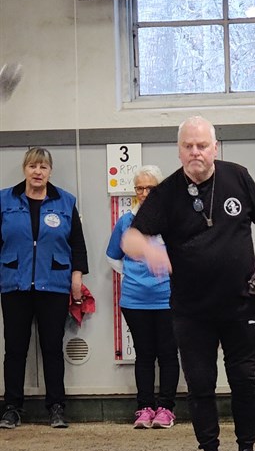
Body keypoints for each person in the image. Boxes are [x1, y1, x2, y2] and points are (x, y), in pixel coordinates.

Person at [122, 115, 255, 451]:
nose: (195, 152)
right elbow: (130, 238)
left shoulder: (238, 177)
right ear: (179, 151)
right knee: (200, 384)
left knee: (245, 378)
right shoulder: (166, 193)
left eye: (202, 145)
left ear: (215, 148)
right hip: (191, 310)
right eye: (188, 146)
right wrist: (148, 250)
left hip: (240, 303)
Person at [0, 147, 88, 428]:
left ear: (50, 171)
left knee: (52, 348)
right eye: (32, 166)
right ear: (24, 169)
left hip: (54, 284)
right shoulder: (4, 200)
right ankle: (12, 407)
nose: (37, 172)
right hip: (15, 284)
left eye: (43, 167)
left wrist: (77, 277)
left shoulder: (65, 201)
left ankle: (57, 407)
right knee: (15, 349)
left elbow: (77, 244)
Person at [106, 165, 179, 429]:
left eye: (151, 188)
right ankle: (145, 407)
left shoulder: (172, 220)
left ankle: (166, 408)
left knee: (168, 353)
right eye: (140, 188)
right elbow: (112, 257)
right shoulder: (126, 222)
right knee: (144, 354)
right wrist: (134, 273)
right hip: (135, 300)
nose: (145, 193)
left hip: (168, 299)